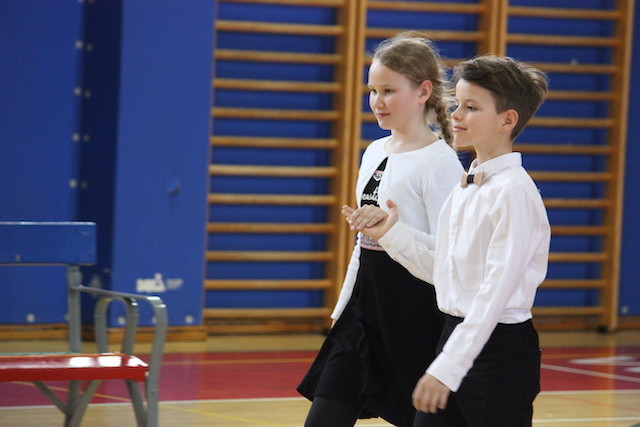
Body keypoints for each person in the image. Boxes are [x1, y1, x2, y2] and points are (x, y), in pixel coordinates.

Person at [345, 55, 550, 427]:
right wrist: (391, 233)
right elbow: (444, 271)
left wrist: (448, 367)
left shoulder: (514, 193)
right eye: (457, 104)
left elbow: (492, 296)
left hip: (497, 351)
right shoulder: (465, 187)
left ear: (507, 120)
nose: (455, 115)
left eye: (471, 107)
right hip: (455, 338)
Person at [296, 32, 464, 427]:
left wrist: (391, 232)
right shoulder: (374, 151)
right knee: (328, 408)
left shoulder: (440, 164)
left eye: (389, 90)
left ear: (423, 91)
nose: (377, 101)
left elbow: (446, 260)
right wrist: (343, 309)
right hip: (364, 308)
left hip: (413, 311)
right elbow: (362, 243)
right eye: (373, 90)